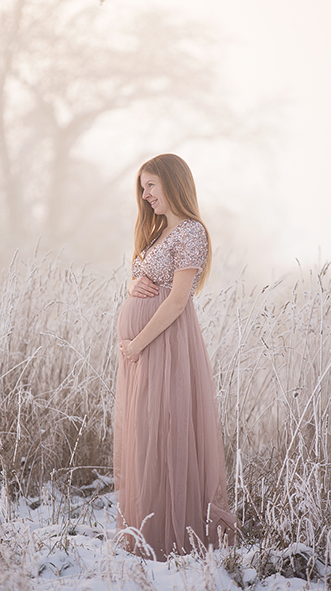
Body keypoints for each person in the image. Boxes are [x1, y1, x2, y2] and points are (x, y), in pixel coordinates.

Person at [113, 153, 235, 562]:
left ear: (173, 183)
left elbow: (179, 300)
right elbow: (151, 280)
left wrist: (138, 342)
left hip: (164, 346)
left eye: (151, 186)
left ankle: (175, 538)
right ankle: (148, 528)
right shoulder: (158, 233)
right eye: (142, 187)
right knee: (146, 435)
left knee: (167, 432)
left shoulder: (190, 232)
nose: (145, 195)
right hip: (144, 350)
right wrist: (136, 283)